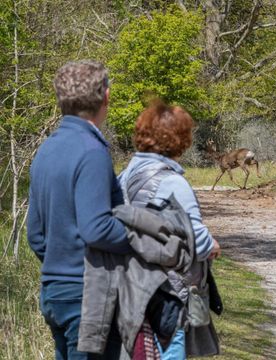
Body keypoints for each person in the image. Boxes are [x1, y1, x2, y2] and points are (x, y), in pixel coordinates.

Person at [27, 60, 131, 359]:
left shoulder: (47, 149)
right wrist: (139, 237)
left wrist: (60, 267)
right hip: (87, 297)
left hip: (54, 293)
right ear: (106, 97)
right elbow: (96, 227)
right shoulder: (92, 151)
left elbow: (35, 235)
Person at [118, 99, 221, 359]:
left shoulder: (125, 175)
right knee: (171, 346)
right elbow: (195, 236)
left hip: (132, 286)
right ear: (179, 140)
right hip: (169, 290)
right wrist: (212, 245)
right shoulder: (173, 181)